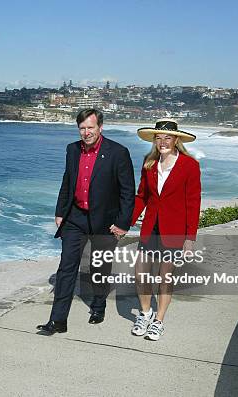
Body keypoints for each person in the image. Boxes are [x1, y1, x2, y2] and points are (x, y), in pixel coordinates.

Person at [37, 108, 135, 335]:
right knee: (66, 268)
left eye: (90, 127)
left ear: (100, 127)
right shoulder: (72, 150)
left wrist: (122, 223)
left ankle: (98, 305)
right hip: (75, 217)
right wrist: (60, 211)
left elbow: (128, 192)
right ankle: (58, 320)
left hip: (106, 220)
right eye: (82, 128)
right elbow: (67, 182)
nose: (86, 132)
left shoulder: (118, 152)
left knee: (98, 267)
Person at [130, 118, 201, 341]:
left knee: (164, 277)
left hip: (174, 230)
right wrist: (126, 222)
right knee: (140, 273)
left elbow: (193, 203)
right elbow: (141, 196)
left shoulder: (190, 165)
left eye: (167, 137)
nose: (162, 142)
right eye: (158, 138)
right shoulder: (149, 163)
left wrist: (190, 238)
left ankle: (159, 321)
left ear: (176, 139)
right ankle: (145, 313)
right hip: (151, 227)